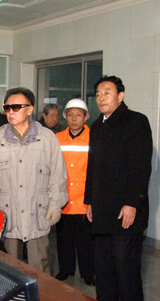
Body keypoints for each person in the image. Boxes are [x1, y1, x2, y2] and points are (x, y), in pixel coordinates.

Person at [84, 75, 152, 301]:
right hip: (101, 210)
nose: (101, 97)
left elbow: (141, 167)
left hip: (125, 212)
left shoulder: (136, 122)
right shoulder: (97, 126)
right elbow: (92, 167)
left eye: (107, 92)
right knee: (104, 272)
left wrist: (133, 202)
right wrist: (89, 200)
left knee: (127, 271)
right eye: (98, 94)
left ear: (120, 96)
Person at [0, 87, 68, 273]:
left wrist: (55, 205)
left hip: (38, 213)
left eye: (16, 107)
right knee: (10, 269)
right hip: (7, 213)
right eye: (7, 107)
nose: (11, 112)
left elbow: (58, 175)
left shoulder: (47, 139)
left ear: (29, 109)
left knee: (39, 269)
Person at [55, 98, 95, 286]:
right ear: (65, 116)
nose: (74, 119)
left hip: (84, 199)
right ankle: (66, 269)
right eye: (70, 115)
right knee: (63, 239)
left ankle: (88, 273)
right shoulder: (57, 138)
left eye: (78, 115)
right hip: (63, 198)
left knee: (86, 241)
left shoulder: (94, 138)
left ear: (86, 117)